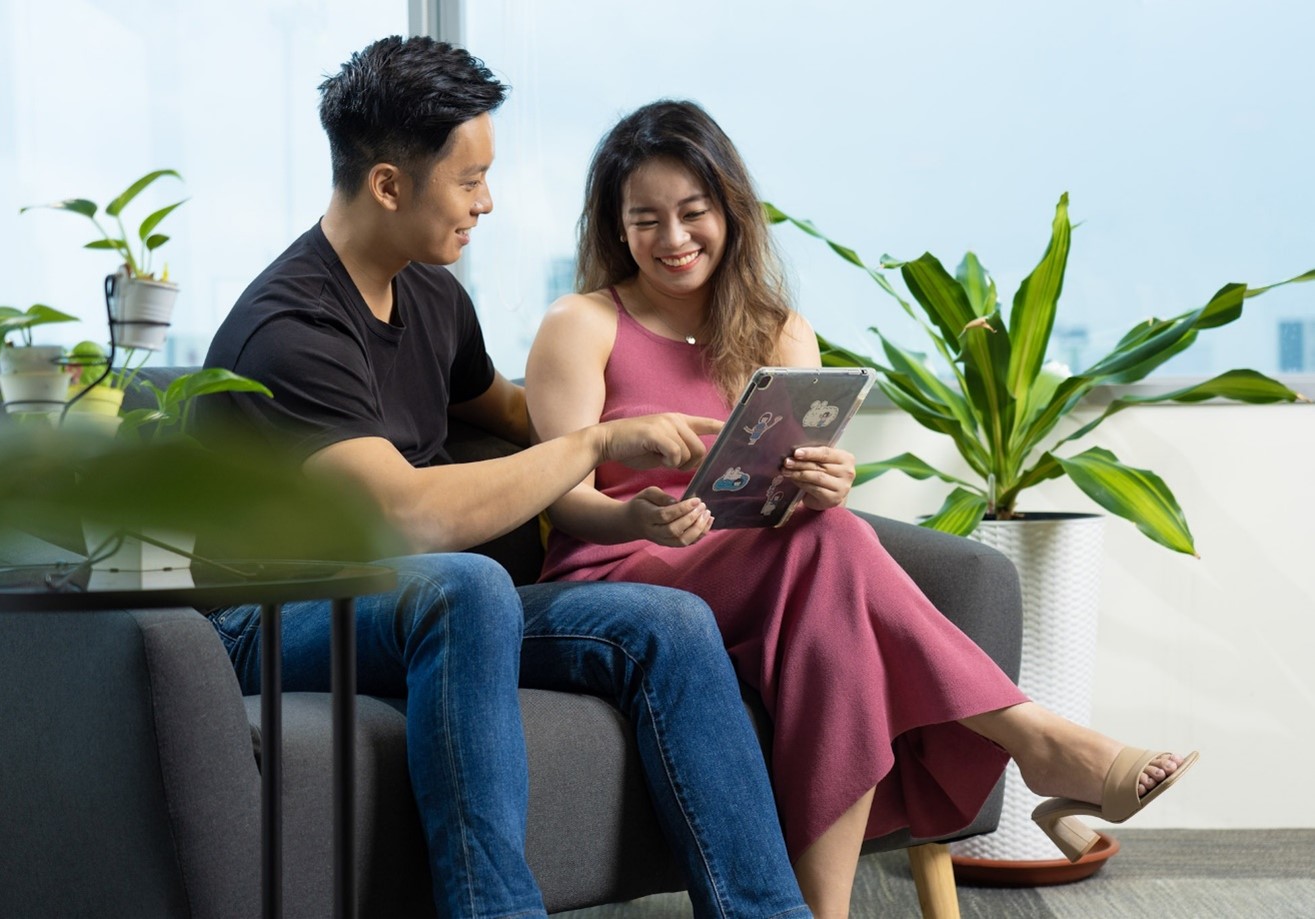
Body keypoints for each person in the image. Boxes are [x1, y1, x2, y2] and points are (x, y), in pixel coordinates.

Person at [524, 99, 1199, 919]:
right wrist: (639, 517)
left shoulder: (778, 331)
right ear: (615, 228)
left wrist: (823, 483)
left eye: (692, 212)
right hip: (622, 571)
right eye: (644, 220)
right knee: (828, 552)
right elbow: (561, 498)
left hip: (765, 571)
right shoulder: (581, 322)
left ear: (730, 211)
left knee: (828, 566)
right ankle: (1042, 742)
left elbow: (785, 502)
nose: (672, 239)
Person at [198, 40, 813, 919]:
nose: (486, 202)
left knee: (670, 622)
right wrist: (598, 436)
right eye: (468, 180)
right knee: (467, 584)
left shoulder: (433, 298)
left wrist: (676, 445)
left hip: (418, 609)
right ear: (386, 185)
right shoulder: (292, 330)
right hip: (271, 617)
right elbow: (408, 517)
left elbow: (521, 417)